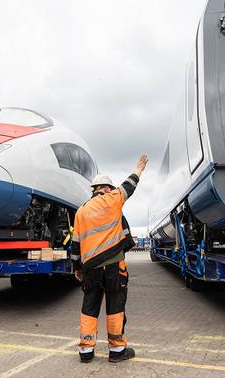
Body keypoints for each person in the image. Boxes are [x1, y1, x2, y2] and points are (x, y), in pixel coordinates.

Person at [71, 154, 148, 363]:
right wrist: (139, 167)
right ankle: (116, 351)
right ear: (106, 188)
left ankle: (86, 351)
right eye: (110, 188)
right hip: (114, 267)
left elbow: (75, 246)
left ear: (94, 189)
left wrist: (77, 268)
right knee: (115, 307)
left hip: (90, 270)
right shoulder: (113, 200)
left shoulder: (81, 212)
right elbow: (129, 185)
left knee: (89, 308)